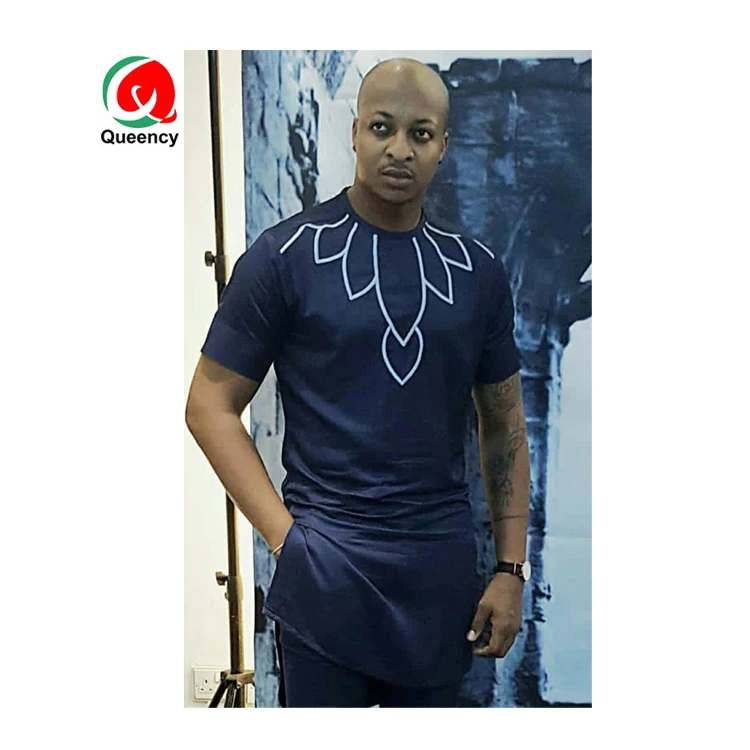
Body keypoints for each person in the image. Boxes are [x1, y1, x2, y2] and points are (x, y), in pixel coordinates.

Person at [185, 57, 531, 708]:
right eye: (381, 127)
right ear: (355, 132)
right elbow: (209, 405)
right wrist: (286, 541)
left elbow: (505, 425)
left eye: (420, 133)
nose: (399, 148)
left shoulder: (477, 273)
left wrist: (511, 569)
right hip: (324, 576)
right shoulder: (284, 256)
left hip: (439, 584)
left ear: (443, 145)